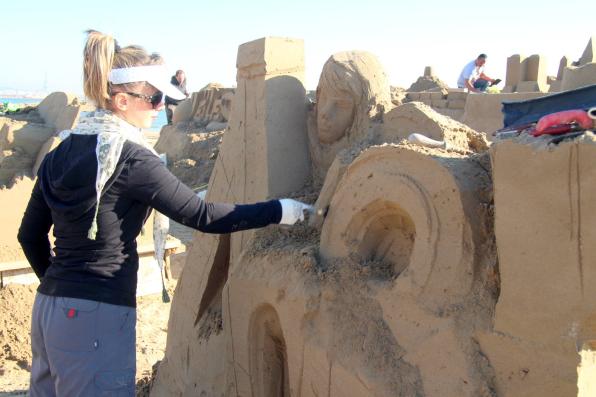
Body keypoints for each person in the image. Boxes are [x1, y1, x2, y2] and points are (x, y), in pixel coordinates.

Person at [17, 30, 312, 397]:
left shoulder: (60, 152)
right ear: (122, 100)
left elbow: (29, 236)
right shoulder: (131, 158)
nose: (160, 108)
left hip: (49, 310)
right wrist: (280, 210)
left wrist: (61, 288)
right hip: (96, 314)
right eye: (154, 98)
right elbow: (201, 216)